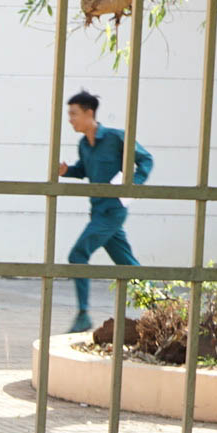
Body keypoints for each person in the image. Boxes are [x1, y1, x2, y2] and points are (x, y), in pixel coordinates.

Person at [57, 90, 153, 333]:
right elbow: (84, 170)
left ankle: (83, 316)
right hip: (97, 210)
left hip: (112, 210)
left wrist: (132, 185)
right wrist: (67, 171)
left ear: (89, 113)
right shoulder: (83, 145)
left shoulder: (115, 137)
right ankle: (161, 307)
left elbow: (146, 159)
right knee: (127, 265)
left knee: (78, 255)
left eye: (74, 114)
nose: (70, 119)